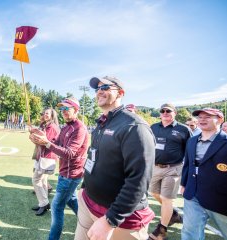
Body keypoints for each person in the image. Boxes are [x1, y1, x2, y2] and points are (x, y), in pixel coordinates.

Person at [74, 76, 156, 240]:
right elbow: (94, 158)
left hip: (120, 219)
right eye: (97, 89)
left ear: (120, 93)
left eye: (105, 87)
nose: (99, 91)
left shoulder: (134, 127)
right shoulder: (101, 122)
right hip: (88, 203)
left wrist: (110, 220)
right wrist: (84, 188)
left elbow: (139, 180)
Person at [30, 97, 89, 240]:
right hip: (65, 172)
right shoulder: (66, 127)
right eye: (62, 109)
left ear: (76, 110)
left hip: (71, 174)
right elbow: (57, 143)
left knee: (56, 207)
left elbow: (69, 153)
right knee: (72, 200)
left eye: (67, 109)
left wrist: (47, 143)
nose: (63, 112)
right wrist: (39, 138)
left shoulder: (79, 128)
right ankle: (87, 222)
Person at [181, 108, 227, 240]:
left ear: (220, 120)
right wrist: (184, 183)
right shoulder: (192, 141)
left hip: (223, 199)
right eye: (199, 117)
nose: (202, 119)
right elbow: (188, 164)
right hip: (193, 195)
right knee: (189, 233)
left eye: (208, 116)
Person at [148, 103, 192, 239]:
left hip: (173, 168)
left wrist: (188, 169)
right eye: (163, 111)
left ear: (175, 113)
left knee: (166, 198)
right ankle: (173, 214)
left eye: (169, 111)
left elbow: (190, 149)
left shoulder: (183, 129)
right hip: (155, 167)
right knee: (155, 193)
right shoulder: (153, 127)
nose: (165, 113)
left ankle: (161, 231)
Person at [31, 108, 60, 216]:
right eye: (44, 113)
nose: (44, 115)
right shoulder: (47, 125)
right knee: (42, 180)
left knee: (36, 180)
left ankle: (44, 203)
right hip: (44, 156)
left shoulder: (51, 127)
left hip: (47, 156)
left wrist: (34, 135)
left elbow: (44, 141)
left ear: (52, 115)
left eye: (47, 113)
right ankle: (42, 203)